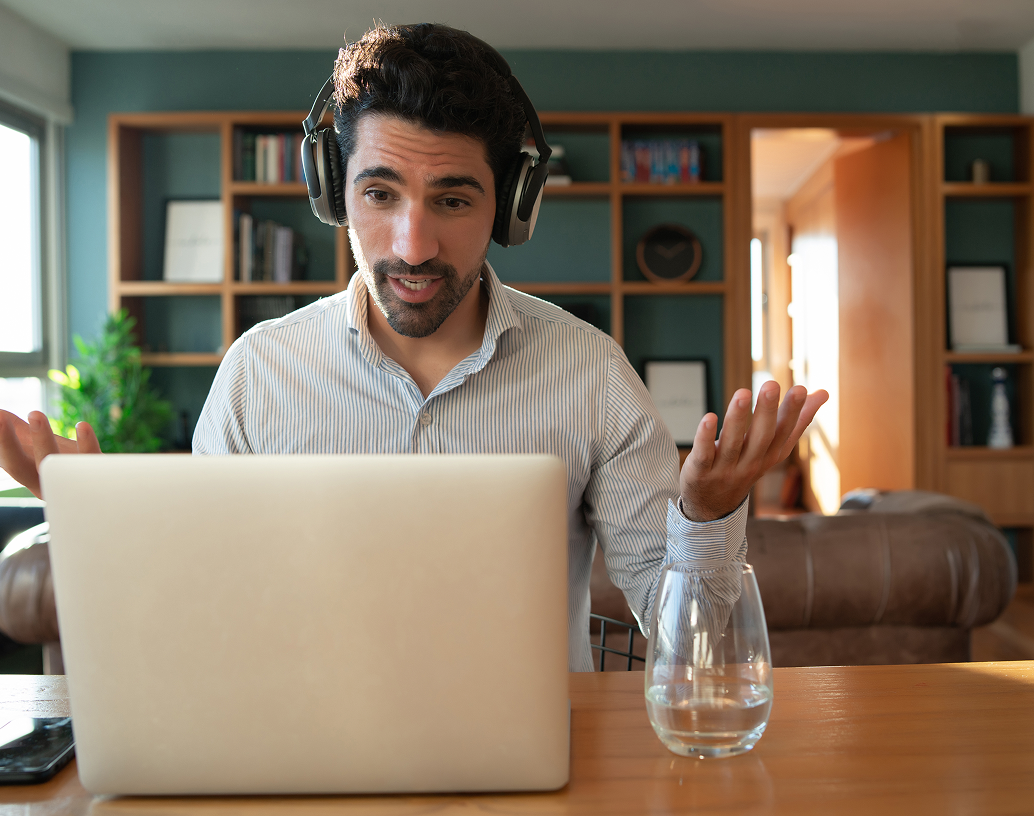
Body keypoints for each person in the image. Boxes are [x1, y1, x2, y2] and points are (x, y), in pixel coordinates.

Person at [0, 23, 826, 671]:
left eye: (454, 198)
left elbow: (690, 643)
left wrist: (708, 515)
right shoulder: (258, 375)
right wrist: (92, 525)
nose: (414, 244)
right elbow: (203, 618)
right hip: (300, 759)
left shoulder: (590, 372)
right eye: (380, 193)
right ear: (334, 193)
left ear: (512, 209)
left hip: (533, 771)